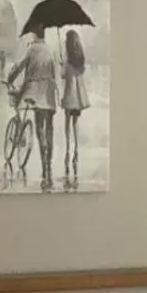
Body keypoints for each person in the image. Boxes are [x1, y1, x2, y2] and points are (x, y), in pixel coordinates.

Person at [6, 27, 57, 191]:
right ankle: (49, 165)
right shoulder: (50, 49)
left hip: (35, 92)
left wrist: (10, 78)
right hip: (49, 92)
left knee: (40, 130)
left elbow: (20, 67)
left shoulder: (31, 49)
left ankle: (44, 167)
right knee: (49, 129)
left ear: (35, 34)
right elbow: (54, 73)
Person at [61, 28, 88, 189]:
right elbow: (81, 72)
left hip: (69, 93)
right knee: (76, 120)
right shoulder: (80, 59)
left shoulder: (68, 60)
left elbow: (64, 76)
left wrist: (61, 65)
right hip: (78, 94)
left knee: (67, 119)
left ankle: (68, 144)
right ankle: (77, 146)